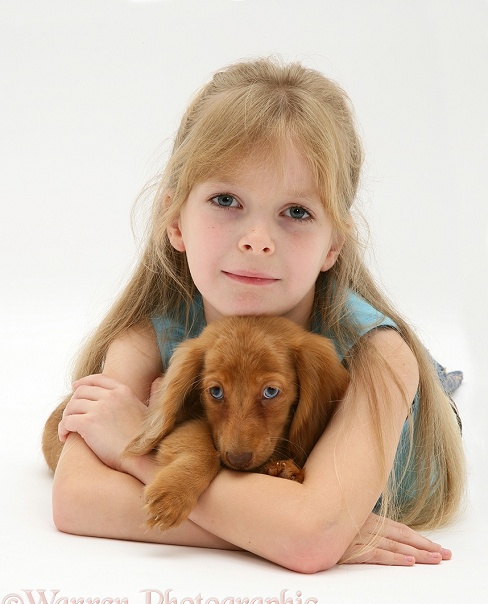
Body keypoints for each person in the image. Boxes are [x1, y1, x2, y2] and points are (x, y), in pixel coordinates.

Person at [48, 57, 465, 574]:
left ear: (334, 243)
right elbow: (76, 500)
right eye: (226, 200)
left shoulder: (380, 356)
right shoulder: (146, 337)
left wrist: (137, 450)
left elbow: (309, 540)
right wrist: (282, 527)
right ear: (175, 219)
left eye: (296, 212)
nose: (257, 240)